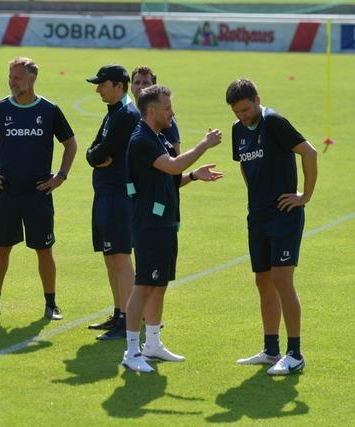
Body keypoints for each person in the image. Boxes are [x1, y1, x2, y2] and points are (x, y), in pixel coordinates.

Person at [121, 85, 222, 372]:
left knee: (159, 284)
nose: (172, 113)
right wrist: (203, 145)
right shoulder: (142, 140)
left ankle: (152, 344)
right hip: (149, 225)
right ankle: (131, 352)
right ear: (152, 111)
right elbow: (173, 166)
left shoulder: (159, 138)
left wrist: (194, 176)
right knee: (143, 286)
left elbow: (172, 177)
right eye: (167, 109)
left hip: (164, 223)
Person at [0, 57, 77, 320]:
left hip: (38, 194)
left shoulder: (49, 110)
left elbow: (70, 143)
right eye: (10, 76)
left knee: (44, 250)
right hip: (6, 192)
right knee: (1, 247)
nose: (12, 81)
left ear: (31, 80)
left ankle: (51, 304)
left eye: (17, 77)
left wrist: (61, 176)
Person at [226, 78, 317, 375]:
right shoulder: (237, 130)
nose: (241, 115)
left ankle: (295, 353)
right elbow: (243, 163)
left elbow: (310, 152)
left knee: (281, 279)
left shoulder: (274, 122)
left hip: (284, 215)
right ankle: (270, 349)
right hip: (258, 216)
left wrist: (304, 196)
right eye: (236, 111)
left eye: (245, 109)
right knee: (262, 281)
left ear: (257, 99)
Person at [84, 65, 139, 340]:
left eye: (102, 84)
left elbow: (102, 152)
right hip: (105, 193)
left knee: (120, 256)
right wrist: (94, 155)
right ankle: (119, 313)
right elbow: (93, 151)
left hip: (118, 194)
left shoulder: (127, 115)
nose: (97, 89)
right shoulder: (114, 113)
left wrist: (95, 155)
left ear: (118, 85)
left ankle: (129, 318)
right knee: (110, 257)